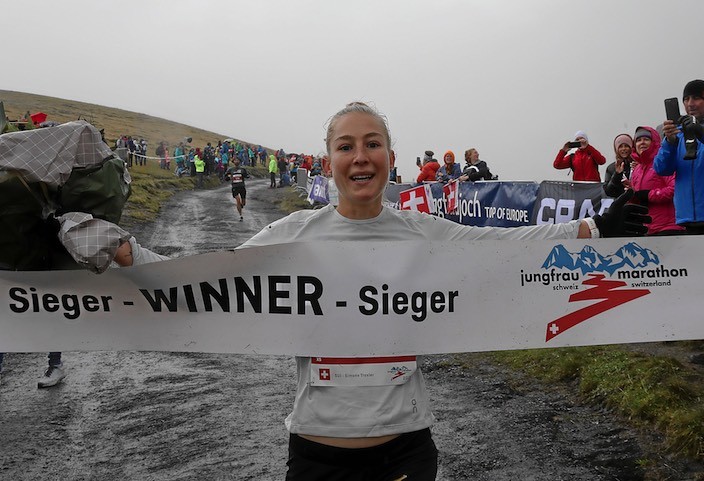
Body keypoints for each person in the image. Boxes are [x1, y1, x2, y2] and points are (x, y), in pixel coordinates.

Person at [238, 101, 649, 480]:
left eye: (373, 144)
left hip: (404, 454)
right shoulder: (291, 233)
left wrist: (593, 227)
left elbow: (504, 246)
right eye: (346, 147)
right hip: (316, 457)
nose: (360, 156)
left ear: (391, 159)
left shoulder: (422, 231)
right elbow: (211, 287)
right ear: (329, 164)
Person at [654, 79, 704, 234]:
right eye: (686, 99)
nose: (690, 104)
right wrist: (670, 142)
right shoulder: (679, 133)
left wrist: (700, 133)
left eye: (696, 98)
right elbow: (661, 169)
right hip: (687, 218)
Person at [628, 127, 683, 235]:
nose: (642, 142)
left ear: (654, 142)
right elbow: (638, 197)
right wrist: (631, 195)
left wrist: (649, 195)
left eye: (646, 139)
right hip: (647, 228)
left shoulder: (663, 163)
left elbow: (675, 189)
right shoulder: (637, 169)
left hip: (668, 227)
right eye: (638, 140)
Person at [225, 157, 250, 221]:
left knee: (243, 202)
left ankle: (241, 205)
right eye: (235, 160)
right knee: (238, 200)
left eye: (237, 160)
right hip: (235, 187)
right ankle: (240, 215)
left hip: (242, 187)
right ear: (233, 162)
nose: (236, 161)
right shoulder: (230, 170)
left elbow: (247, 175)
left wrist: (247, 176)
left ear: (239, 161)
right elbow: (225, 177)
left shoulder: (242, 169)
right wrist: (228, 178)